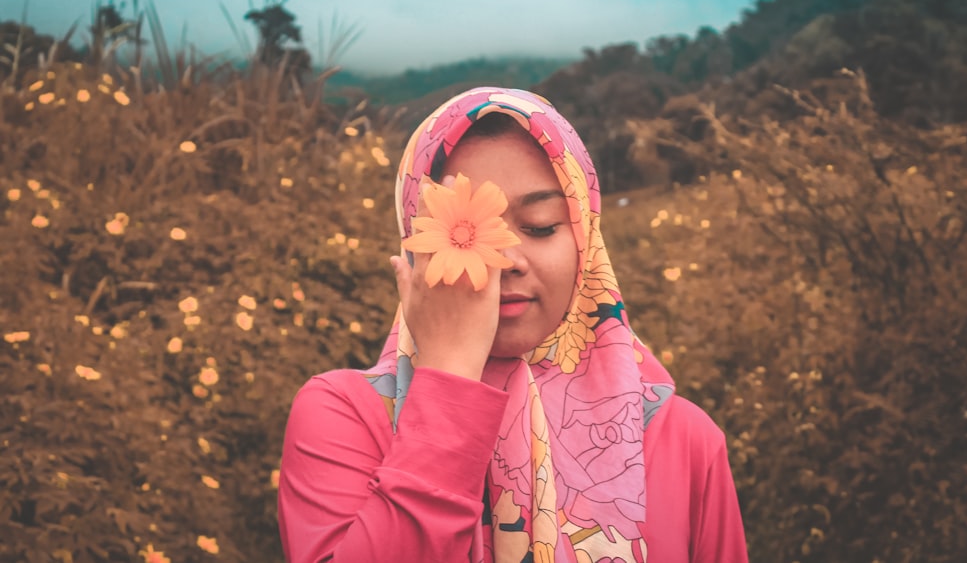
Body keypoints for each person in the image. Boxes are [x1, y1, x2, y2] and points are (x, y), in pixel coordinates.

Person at [278, 87, 748, 563]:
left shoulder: (682, 440)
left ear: (586, 241)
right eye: (470, 232)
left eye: (540, 225)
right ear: (415, 243)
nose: (505, 260)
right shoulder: (346, 418)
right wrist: (450, 374)